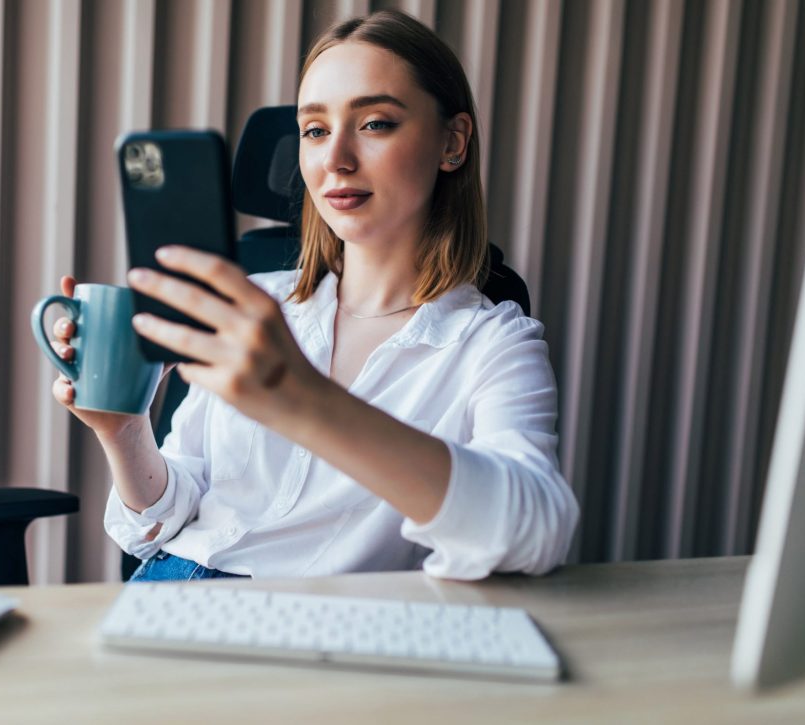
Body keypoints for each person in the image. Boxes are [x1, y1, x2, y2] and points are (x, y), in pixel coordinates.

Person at [50, 9, 578, 582]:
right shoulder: (255, 306)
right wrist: (124, 431)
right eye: (315, 130)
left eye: (375, 123)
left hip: (316, 619)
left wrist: (303, 400)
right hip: (168, 588)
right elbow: (171, 515)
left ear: (452, 142)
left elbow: (536, 533)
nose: (335, 160)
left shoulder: (494, 345)